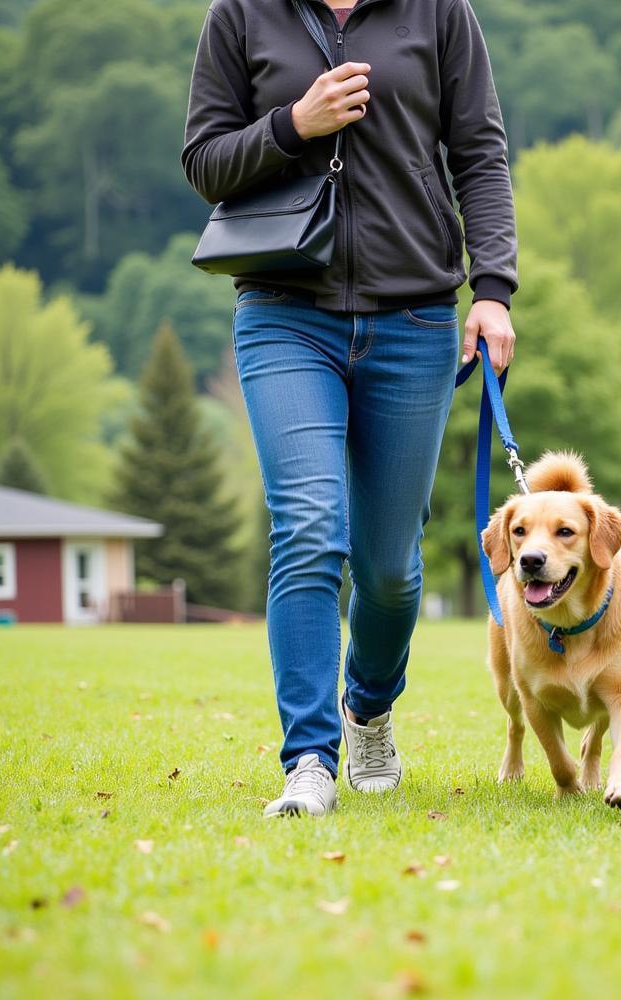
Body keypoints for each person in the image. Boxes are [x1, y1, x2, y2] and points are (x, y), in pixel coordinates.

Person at [181, 0, 518, 817]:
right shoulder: (241, 14)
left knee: (391, 572)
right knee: (308, 524)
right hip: (283, 312)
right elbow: (204, 161)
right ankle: (308, 760)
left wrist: (493, 290)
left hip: (414, 320)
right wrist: (293, 124)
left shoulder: (439, 13)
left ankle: (367, 707)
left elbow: (478, 152)